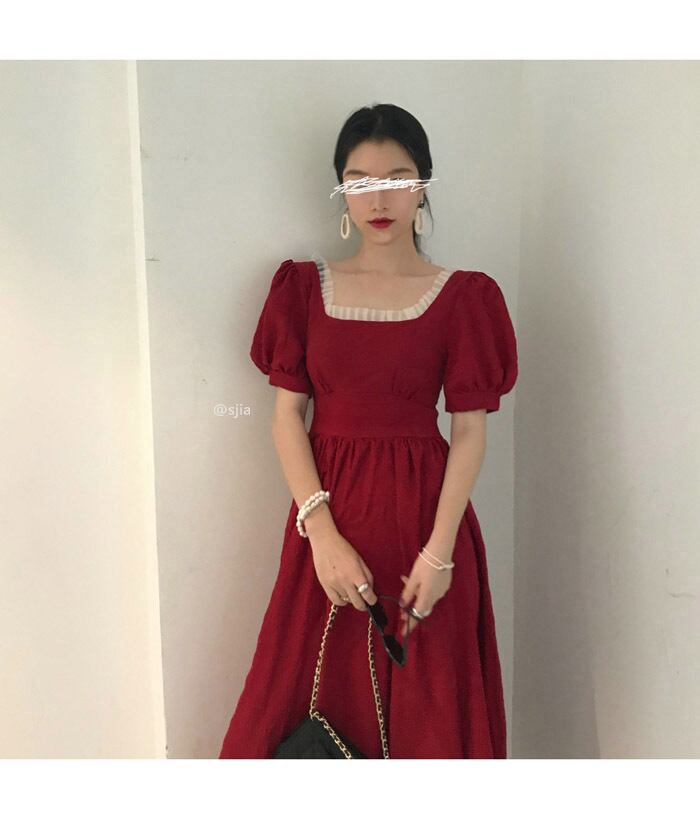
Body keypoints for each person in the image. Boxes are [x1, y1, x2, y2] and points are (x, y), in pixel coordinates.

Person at [219, 103, 518, 759]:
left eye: (397, 178)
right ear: (342, 190)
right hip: (327, 527)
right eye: (359, 181)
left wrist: (439, 554)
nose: (378, 199)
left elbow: (469, 432)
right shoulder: (304, 289)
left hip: (426, 531)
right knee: (301, 703)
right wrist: (322, 535)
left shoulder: (465, 298)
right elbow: (286, 417)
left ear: (423, 185)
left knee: (429, 716)